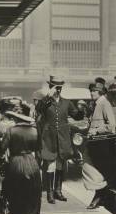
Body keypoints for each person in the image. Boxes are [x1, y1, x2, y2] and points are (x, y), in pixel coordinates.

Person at [36, 75, 84, 204]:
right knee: (50, 165)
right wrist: (47, 96)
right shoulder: (45, 102)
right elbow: (38, 109)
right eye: (55, 87)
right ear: (51, 87)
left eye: (60, 88)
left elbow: (77, 116)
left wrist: (82, 109)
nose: (58, 90)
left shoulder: (66, 102)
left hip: (63, 138)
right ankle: (50, 193)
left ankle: (58, 191)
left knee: (61, 165)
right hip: (49, 138)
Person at [0, 109, 41, 214]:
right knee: (33, 194)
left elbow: (2, 148)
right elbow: (38, 148)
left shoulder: (11, 130)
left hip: (16, 162)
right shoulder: (35, 131)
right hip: (31, 162)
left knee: (15, 193)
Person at [84, 81, 116, 209]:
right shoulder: (97, 104)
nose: (91, 93)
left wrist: (96, 130)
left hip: (102, 144)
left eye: (93, 91)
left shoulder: (104, 103)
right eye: (91, 91)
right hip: (96, 143)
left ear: (100, 92)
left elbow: (112, 125)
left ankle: (99, 197)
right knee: (96, 171)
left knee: (98, 171)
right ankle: (100, 197)